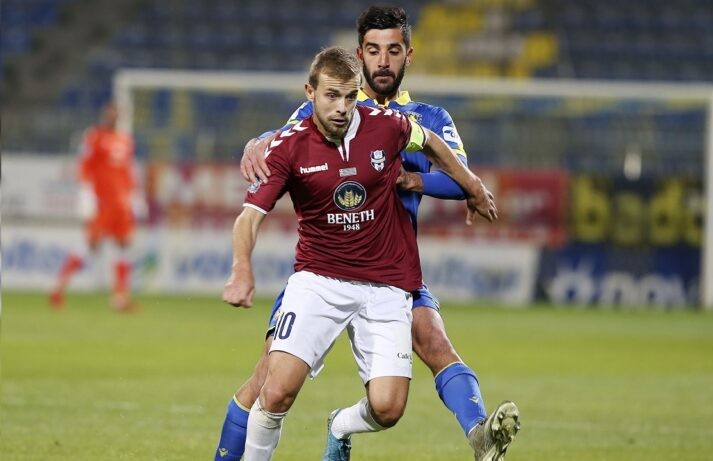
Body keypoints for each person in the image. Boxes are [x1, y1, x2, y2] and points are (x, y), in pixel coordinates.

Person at [215, 7, 520, 461]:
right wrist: (254, 141)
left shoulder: (425, 118)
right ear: (359, 56)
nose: (383, 61)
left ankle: (479, 434)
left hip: (392, 273)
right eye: (373, 51)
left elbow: (459, 174)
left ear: (407, 56)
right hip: (324, 268)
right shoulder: (336, 103)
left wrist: (416, 180)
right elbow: (282, 139)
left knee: (430, 347)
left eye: (392, 51)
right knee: (268, 381)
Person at [49, 102, 139, 312]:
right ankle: (58, 288)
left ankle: (120, 297)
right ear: (104, 116)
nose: (112, 117)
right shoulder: (94, 137)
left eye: (116, 114)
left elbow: (126, 170)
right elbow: (84, 166)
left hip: (121, 203)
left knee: (124, 243)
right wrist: (86, 195)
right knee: (91, 243)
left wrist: (134, 195)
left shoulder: (125, 140)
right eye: (109, 114)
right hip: (102, 201)